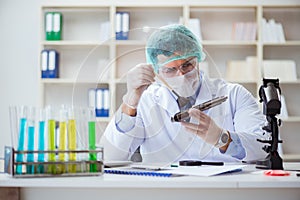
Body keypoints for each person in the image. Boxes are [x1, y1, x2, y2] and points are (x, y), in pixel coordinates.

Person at [100, 24, 268, 163]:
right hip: (165, 189)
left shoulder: (234, 95)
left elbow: (263, 149)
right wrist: (130, 102)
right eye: (170, 70)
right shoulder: (146, 100)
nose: (181, 75)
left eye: (187, 65)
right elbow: (109, 157)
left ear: (198, 59)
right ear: (156, 71)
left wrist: (223, 139)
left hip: (223, 188)